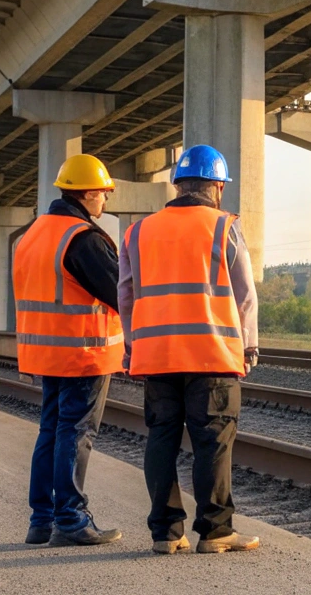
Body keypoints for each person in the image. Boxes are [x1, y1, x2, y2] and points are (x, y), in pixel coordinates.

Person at [118, 144, 260, 555]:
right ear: (217, 186)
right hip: (211, 354)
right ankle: (215, 533)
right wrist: (248, 347)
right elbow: (244, 294)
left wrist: (133, 347)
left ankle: (166, 533)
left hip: (157, 356)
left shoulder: (139, 231)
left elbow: (125, 295)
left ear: (178, 185)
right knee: (212, 442)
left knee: (161, 439)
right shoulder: (222, 226)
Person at [12, 153, 125, 547]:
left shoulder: (33, 234)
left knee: (50, 431)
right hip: (83, 352)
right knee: (75, 434)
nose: (105, 202)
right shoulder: (84, 239)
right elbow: (119, 293)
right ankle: (71, 519)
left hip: (46, 353)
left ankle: (41, 519)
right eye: (104, 194)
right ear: (89, 193)